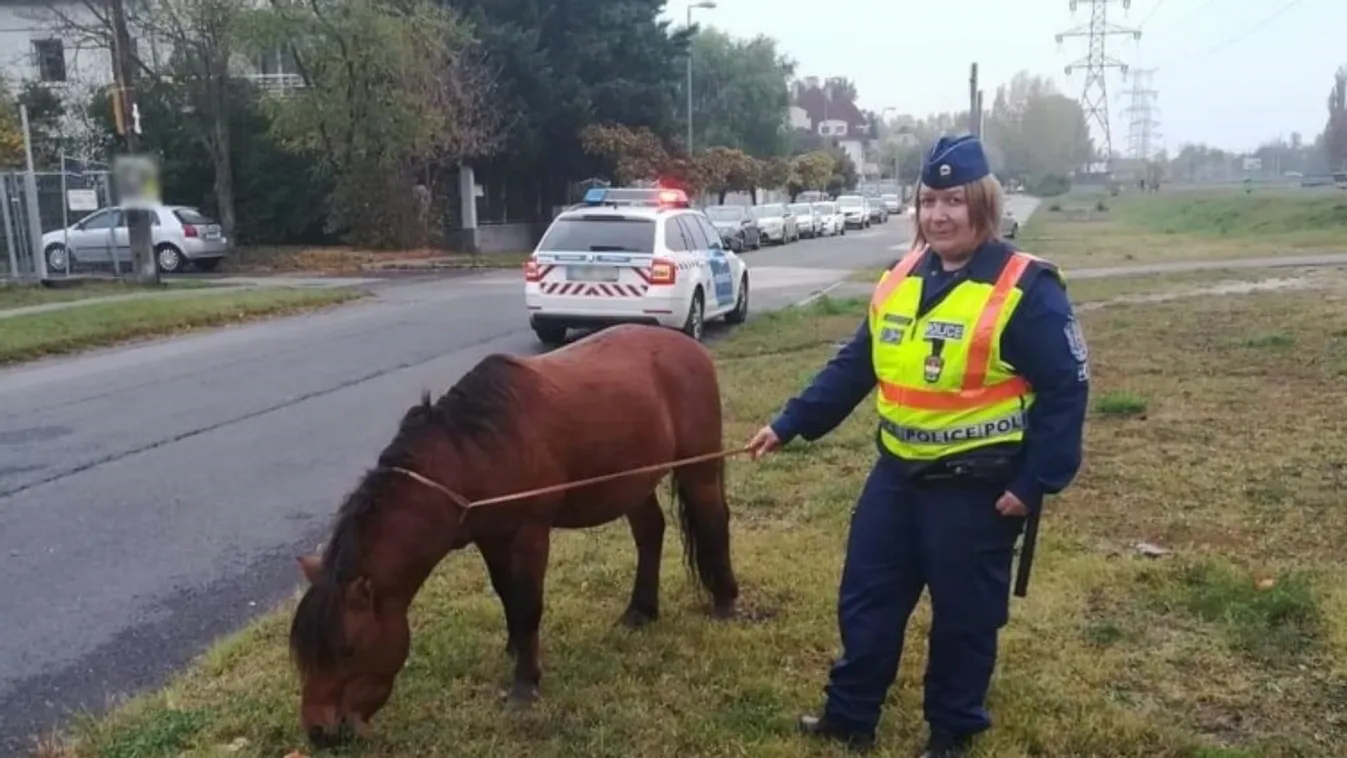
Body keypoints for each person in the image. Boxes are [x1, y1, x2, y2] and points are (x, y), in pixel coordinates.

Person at [746, 134, 1090, 756]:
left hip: (979, 488)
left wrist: (1035, 482)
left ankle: (952, 732)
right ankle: (851, 716)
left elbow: (1068, 389)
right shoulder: (902, 275)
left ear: (982, 205)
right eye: (928, 200)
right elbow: (857, 364)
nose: (938, 215)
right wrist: (790, 421)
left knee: (964, 619)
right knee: (867, 601)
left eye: (953, 201)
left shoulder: (1026, 288)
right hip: (898, 476)